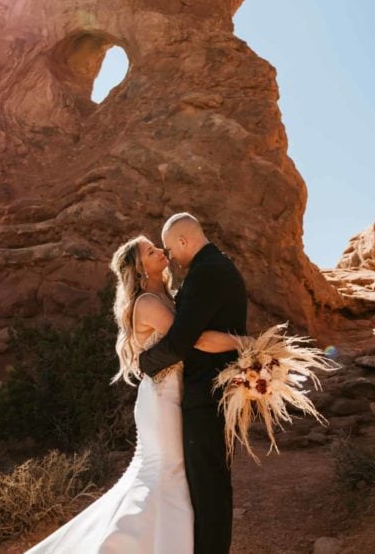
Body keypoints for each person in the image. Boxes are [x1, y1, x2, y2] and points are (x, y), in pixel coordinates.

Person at [25, 231, 238, 553]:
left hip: (171, 395)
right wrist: (246, 344)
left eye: (156, 246)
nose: (159, 251)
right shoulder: (150, 303)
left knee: (165, 474)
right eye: (150, 251)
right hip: (162, 399)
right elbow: (193, 340)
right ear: (139, 269)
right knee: (167, 474)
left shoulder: (167, 295)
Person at [138, 213, 247, 554]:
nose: (169, 255)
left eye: (170, 248)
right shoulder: (213, 268)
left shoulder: (207, 272)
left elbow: (183, 340)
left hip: (207, 394)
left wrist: (143, 364)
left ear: (184, 241)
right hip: (205, 393)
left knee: (209, 488)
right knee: (201, 485)